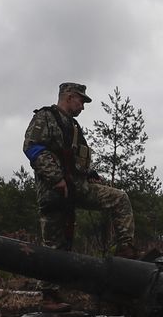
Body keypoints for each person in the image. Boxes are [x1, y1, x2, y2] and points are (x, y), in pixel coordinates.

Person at [22, 82, 136, 254]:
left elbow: (75, 160)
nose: (82, 107)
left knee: (119, 198)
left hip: (77, 187)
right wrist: (56, 179)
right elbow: (33, 148)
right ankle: (49, 281)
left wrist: (89, 173)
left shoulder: (74, 127)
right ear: (69, 97)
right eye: (81, 101)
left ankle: (126, 251)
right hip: (54, 193)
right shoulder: (45, 117)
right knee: (56, 253)